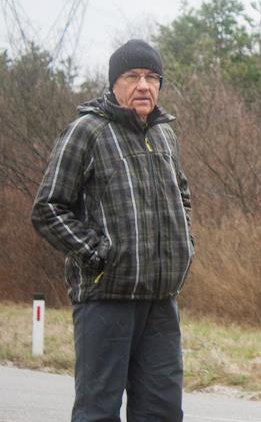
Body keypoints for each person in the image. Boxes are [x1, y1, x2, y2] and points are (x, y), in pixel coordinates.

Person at [31, 39, 194, 422]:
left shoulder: (164, 135)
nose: (144, 86)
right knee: (98, 411)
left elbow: (183, 195)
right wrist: (98, 255)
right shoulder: (87, 131)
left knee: (162, 412)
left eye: (152, 77)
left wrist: (184, 243)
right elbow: (48, 208)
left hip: (160, 301)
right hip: (106, 298)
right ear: (114, 83)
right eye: (132, 76)